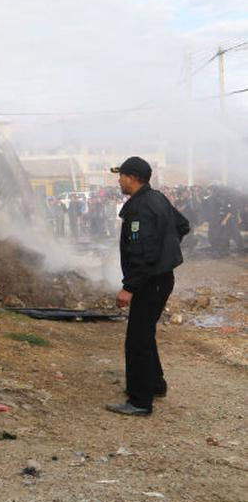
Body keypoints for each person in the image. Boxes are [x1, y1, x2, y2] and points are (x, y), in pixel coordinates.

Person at [106, 156, 189, 416]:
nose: (119, 181)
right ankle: (155, 384)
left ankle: (140, 401)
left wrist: (128, 287)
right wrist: (167, 250)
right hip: (160, 279)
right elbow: (182, 225)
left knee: (137, 341)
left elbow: (142, 252)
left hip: (149, 282)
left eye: (121, 176)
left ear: (132, 178)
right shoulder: (157, 198)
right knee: (145, 333)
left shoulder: (140, 208)